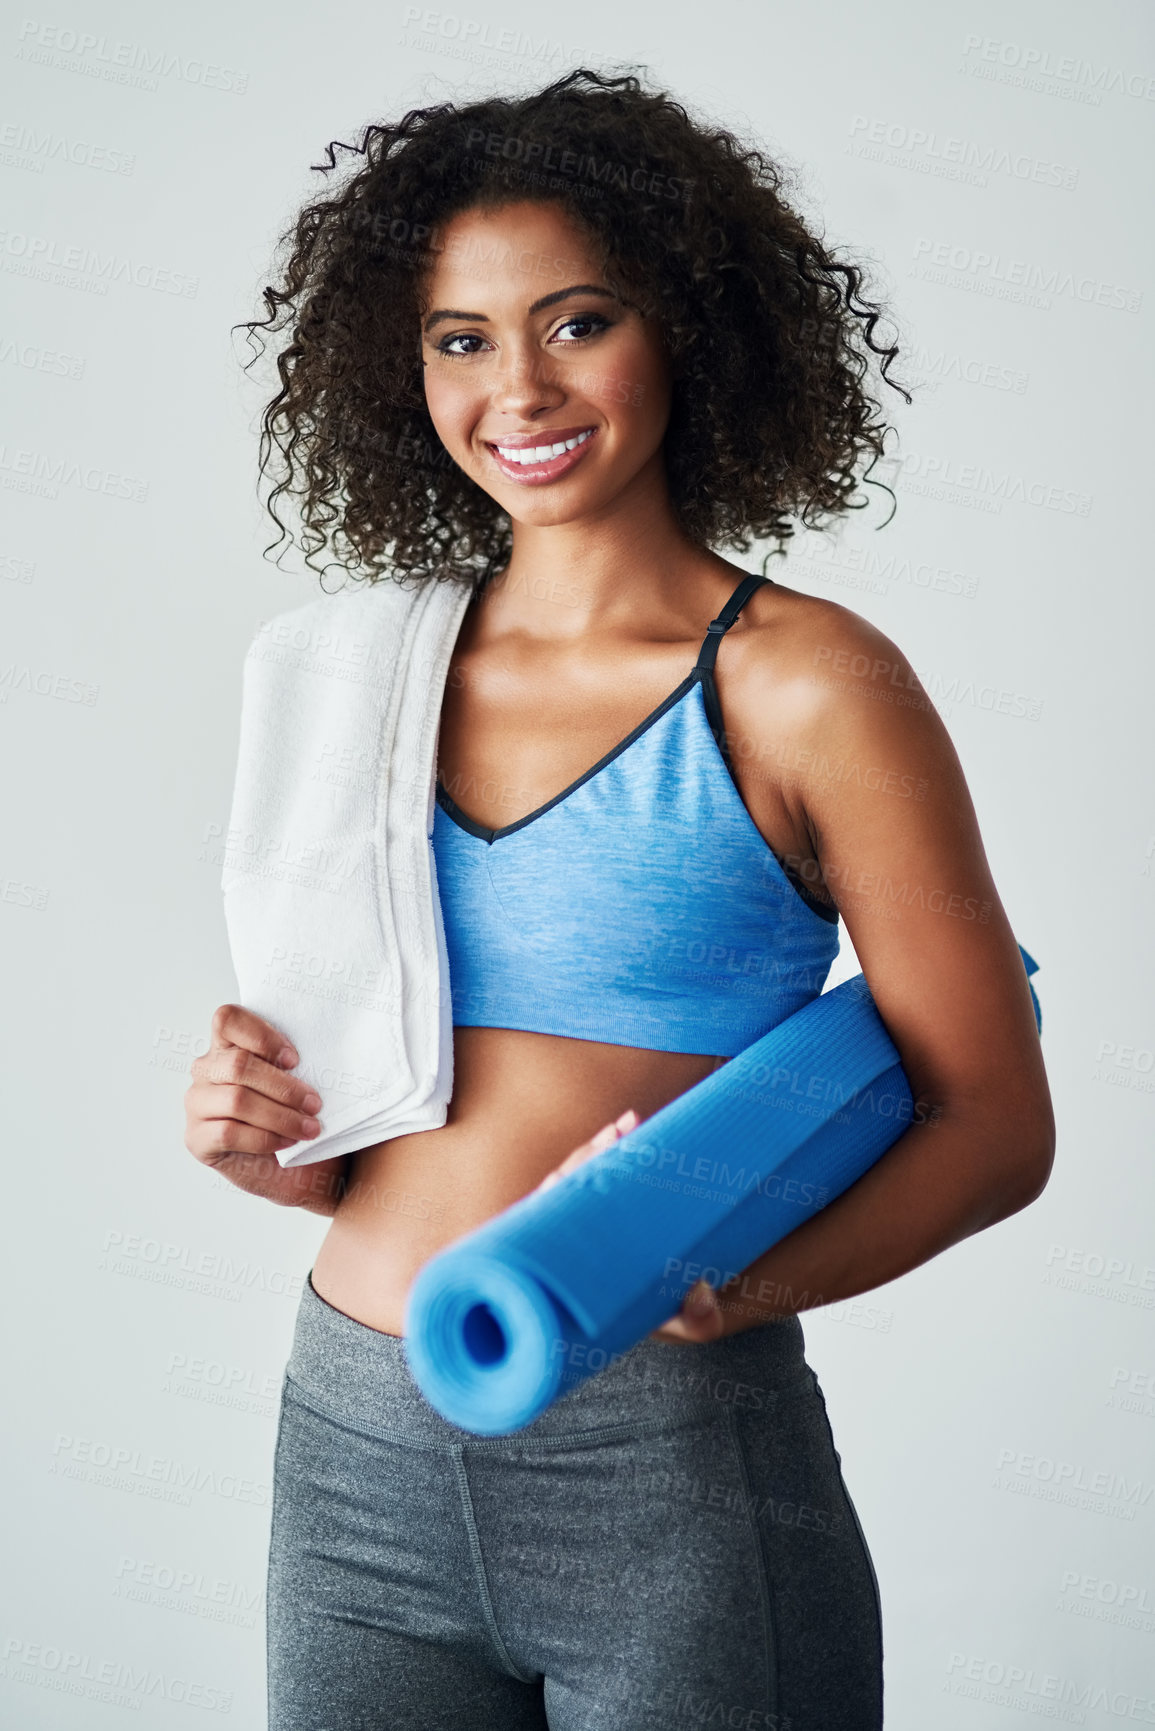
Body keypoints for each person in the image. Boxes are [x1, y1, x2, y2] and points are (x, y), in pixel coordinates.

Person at [184, 67, 1054, 1731]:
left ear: (688, 331)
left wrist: (748, 1284)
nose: (518, 386)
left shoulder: (811, 685)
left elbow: (995, 1121)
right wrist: (269, 1142)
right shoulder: (350, 677)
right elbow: (385, 1130)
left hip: (664, 1462)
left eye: (577, 321)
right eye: (459, 338)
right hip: (354, 1442)